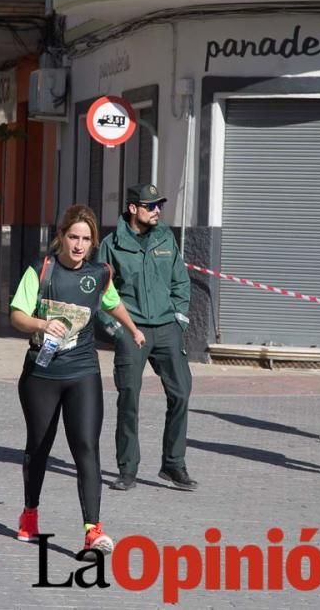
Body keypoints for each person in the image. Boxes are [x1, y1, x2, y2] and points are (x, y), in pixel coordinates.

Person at [10, 204, 145, 557]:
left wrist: (132, 329)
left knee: (86, 446)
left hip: (82, 369)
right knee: (39, 445)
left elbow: (112, 303)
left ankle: (93, 530)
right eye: (73, 237)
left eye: (86, 239)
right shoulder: (43, 270)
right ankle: (30, 514)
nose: (79, 245)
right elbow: (17, 315)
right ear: (61, 236)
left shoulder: (100, 274)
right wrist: (41, 324)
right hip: (42, 372)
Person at [96, 184, 196, 492]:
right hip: (130, 327)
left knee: (180, 393)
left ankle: (173, 465)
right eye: (150, 206)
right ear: (132, 208)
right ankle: (127, 469)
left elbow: (180, 280)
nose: (157, 211)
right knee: (129, 399)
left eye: (159, 206)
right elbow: (99, 290)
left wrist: (179, 319)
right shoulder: (112, 244)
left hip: (166, 327)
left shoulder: (166, 237)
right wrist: (114, 329)